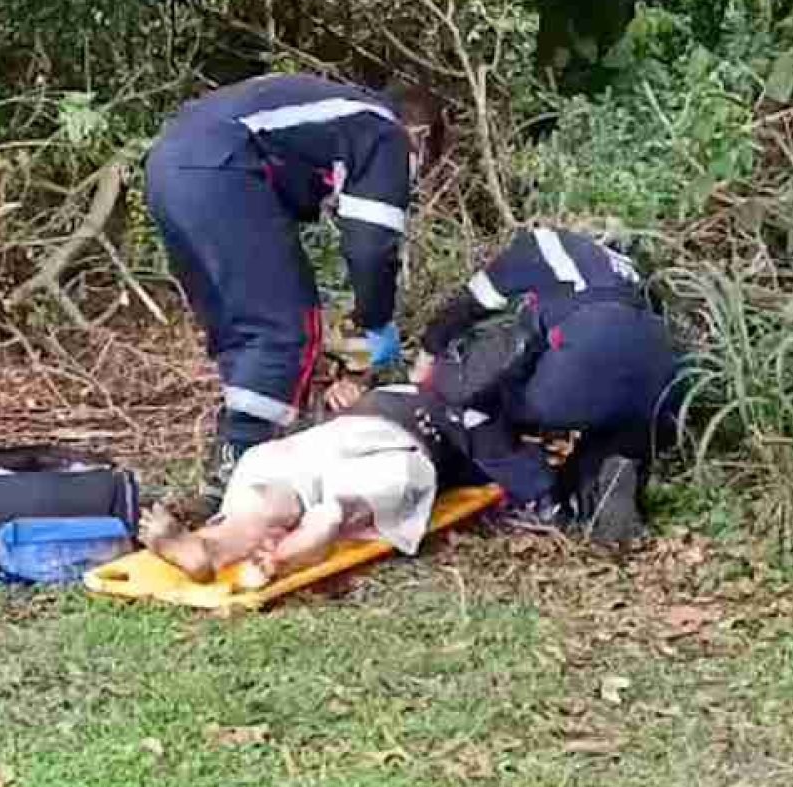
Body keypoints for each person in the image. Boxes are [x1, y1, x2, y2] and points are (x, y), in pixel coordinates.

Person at [145, 73, 445, 518]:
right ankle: (240, 482)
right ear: (419, 135)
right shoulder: (385, 132)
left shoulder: (336, 114)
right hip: (223, 166)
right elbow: (371, 248)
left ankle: (230, 465)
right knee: (287, 332)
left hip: (169, 163)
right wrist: (376, 321)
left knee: (242, 330)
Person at [139, 356, 559, 584]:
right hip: (374, 438)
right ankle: (288, 536)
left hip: (387, 437)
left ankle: (232, 544)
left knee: (281, 490)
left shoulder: (478, 409)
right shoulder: (423, 383)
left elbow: (518, 470)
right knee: (314, 490)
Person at [419, 226, 681, 542]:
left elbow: (473, 302)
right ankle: (605, 479)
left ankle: (542, 499)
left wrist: (428, 351)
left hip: (585, 362)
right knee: (607, 414)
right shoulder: (633, 272)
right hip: (659, 386)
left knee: (456, 395)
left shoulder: (544, 243)